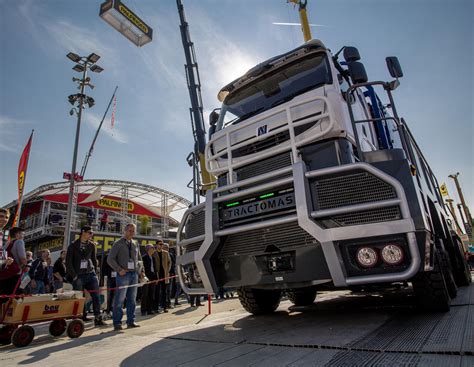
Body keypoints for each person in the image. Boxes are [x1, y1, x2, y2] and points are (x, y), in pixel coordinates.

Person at [66, 226, 106, 327]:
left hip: (90, 273)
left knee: (96, 296)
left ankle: (98, 318)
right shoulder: (72, 246)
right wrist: (74, 276)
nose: (91, 234)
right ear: (83, 232)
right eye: (89, 232)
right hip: (78, 275)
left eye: (91, 233)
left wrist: (95, 272)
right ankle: (80, 318)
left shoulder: (92, 245)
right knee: (80, 298)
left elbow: (93, 259)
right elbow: (68, 262)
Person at [107, 223, 142, 330]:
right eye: (129, 231)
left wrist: (142, 271)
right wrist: (119, 269)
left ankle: (131, 321)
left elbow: (139, 259)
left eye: (133, 231)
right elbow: (110, 259)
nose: (131, 233)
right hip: (123, 275)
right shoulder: (118, 243)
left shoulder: (135, 243)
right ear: (125, 231)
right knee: (120, 299)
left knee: (132, 299)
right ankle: (117, 323)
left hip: (134, 274)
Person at [0, 226, 27, 303]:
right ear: (17, 234)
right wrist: (26, 266)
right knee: (15, 296)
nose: (23, 236)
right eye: (22, 234)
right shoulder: (19, 241)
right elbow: (22, 257)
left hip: (5, 273)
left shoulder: (6, 244)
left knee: (4, 295)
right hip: (15, 272)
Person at [153, 241, 171, 313]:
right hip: (157, 275)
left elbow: (170, 262)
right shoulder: (154, 253)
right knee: (156, 292)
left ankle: (164, 307)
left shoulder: (166, 253)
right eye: (160, 244)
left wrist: (167, 271)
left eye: (162, 244)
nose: (161, 245)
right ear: (156, 245)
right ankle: (156, 308)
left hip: (164, 275)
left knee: (164, 292)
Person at [141, 244, 157, 316]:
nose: (153, 249)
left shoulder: (153, 258)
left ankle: (150, 309)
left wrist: (156, 278)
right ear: (148, 249)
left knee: (152, 294)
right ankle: (143, 310)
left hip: (153, 277)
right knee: (145, 294)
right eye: (152, 248)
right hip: (146, 278)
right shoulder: (144, 258)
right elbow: (142, 268)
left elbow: (155, 269)